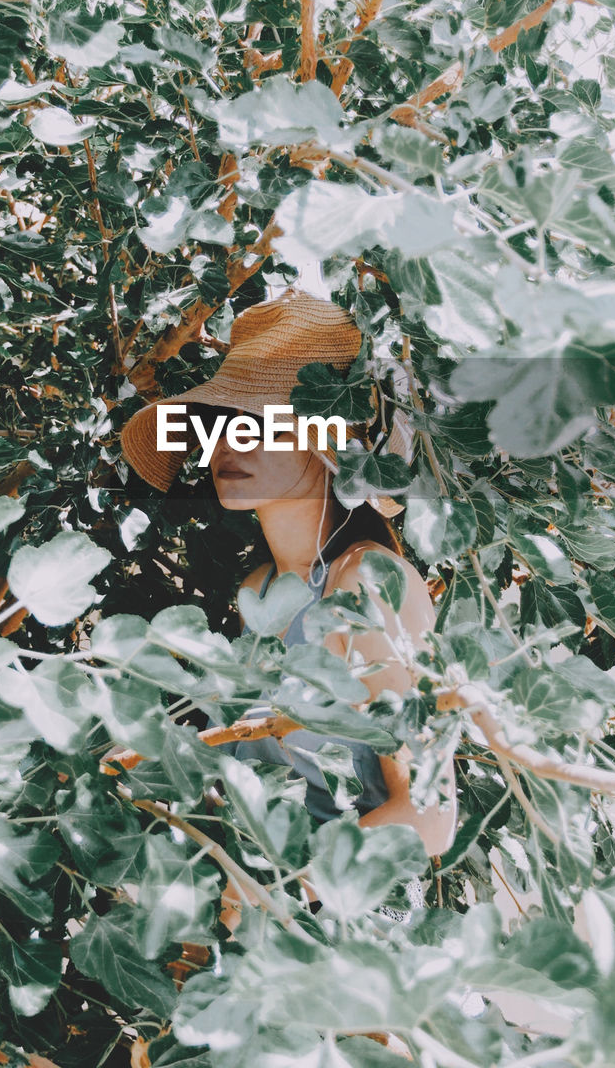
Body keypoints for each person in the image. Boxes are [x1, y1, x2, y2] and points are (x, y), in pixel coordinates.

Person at [120, 289, 457, 920]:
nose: (227, 445)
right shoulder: (256, 591)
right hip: (253, 933)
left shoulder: (366, 583)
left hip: (347, 937)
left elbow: (431, 814)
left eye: (256, 423)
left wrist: (283, 894)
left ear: (330, 439)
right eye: (218, 424)